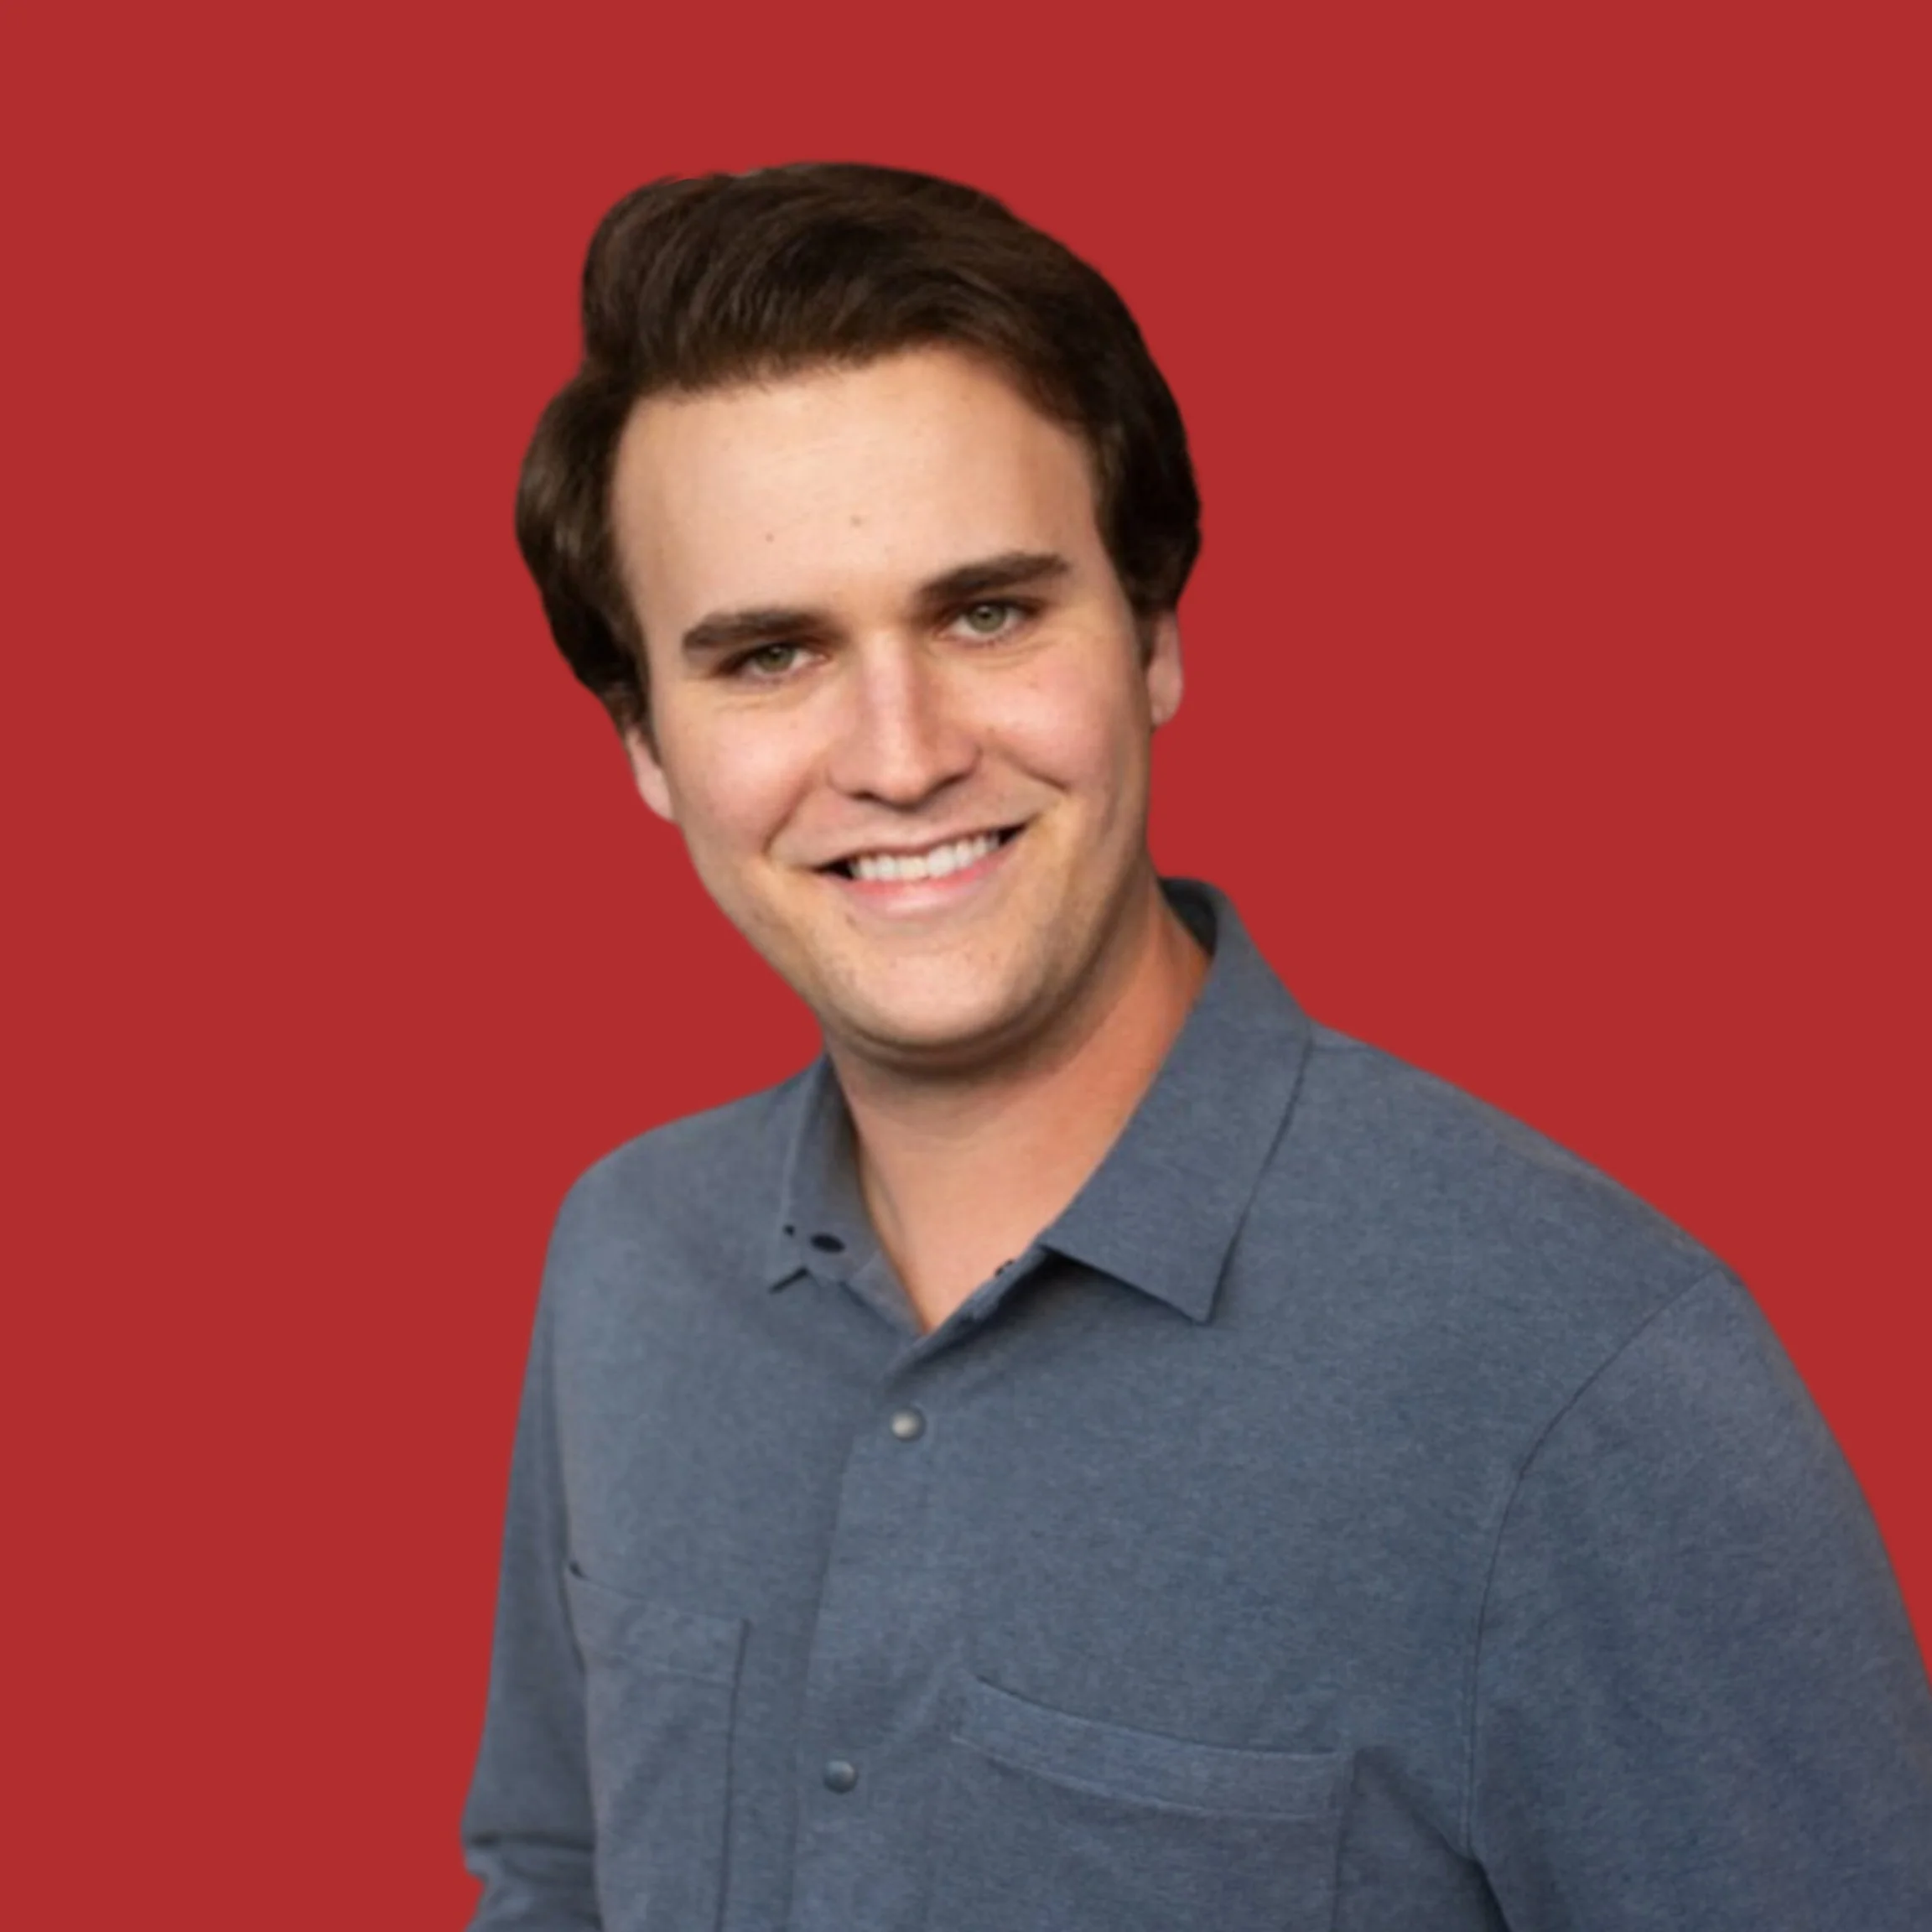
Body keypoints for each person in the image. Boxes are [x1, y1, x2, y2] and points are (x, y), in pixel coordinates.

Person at [461, 164, 1932, 1932]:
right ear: (645, 744)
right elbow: (554, 1879)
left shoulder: (1583, 1380)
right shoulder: (627, 1261)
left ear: (1153, 638)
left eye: (988, 613)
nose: (901, 754)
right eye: (771, 656)